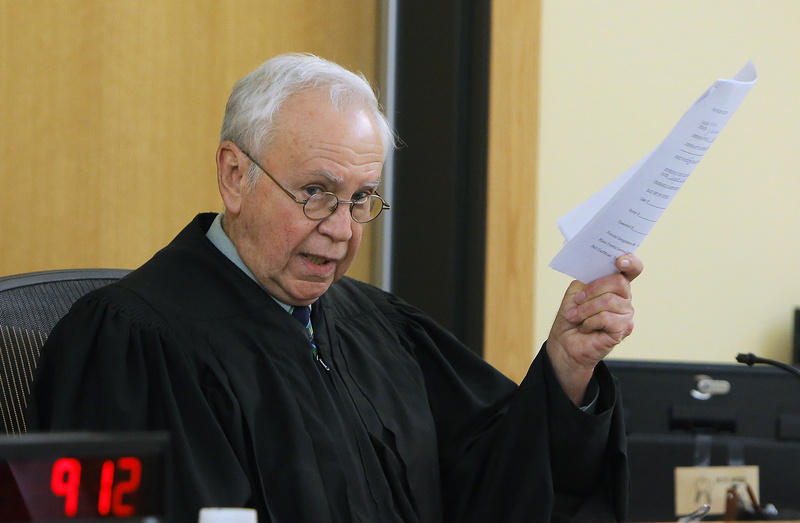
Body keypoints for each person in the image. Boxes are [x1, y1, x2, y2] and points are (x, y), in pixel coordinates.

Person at [27, 53, 642, 522]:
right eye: (316, 193)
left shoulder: (378, 325)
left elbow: (492, 481)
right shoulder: (130, 344)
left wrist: (565, 366)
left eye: (361, 199)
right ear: (235, 175)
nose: (342, 230)